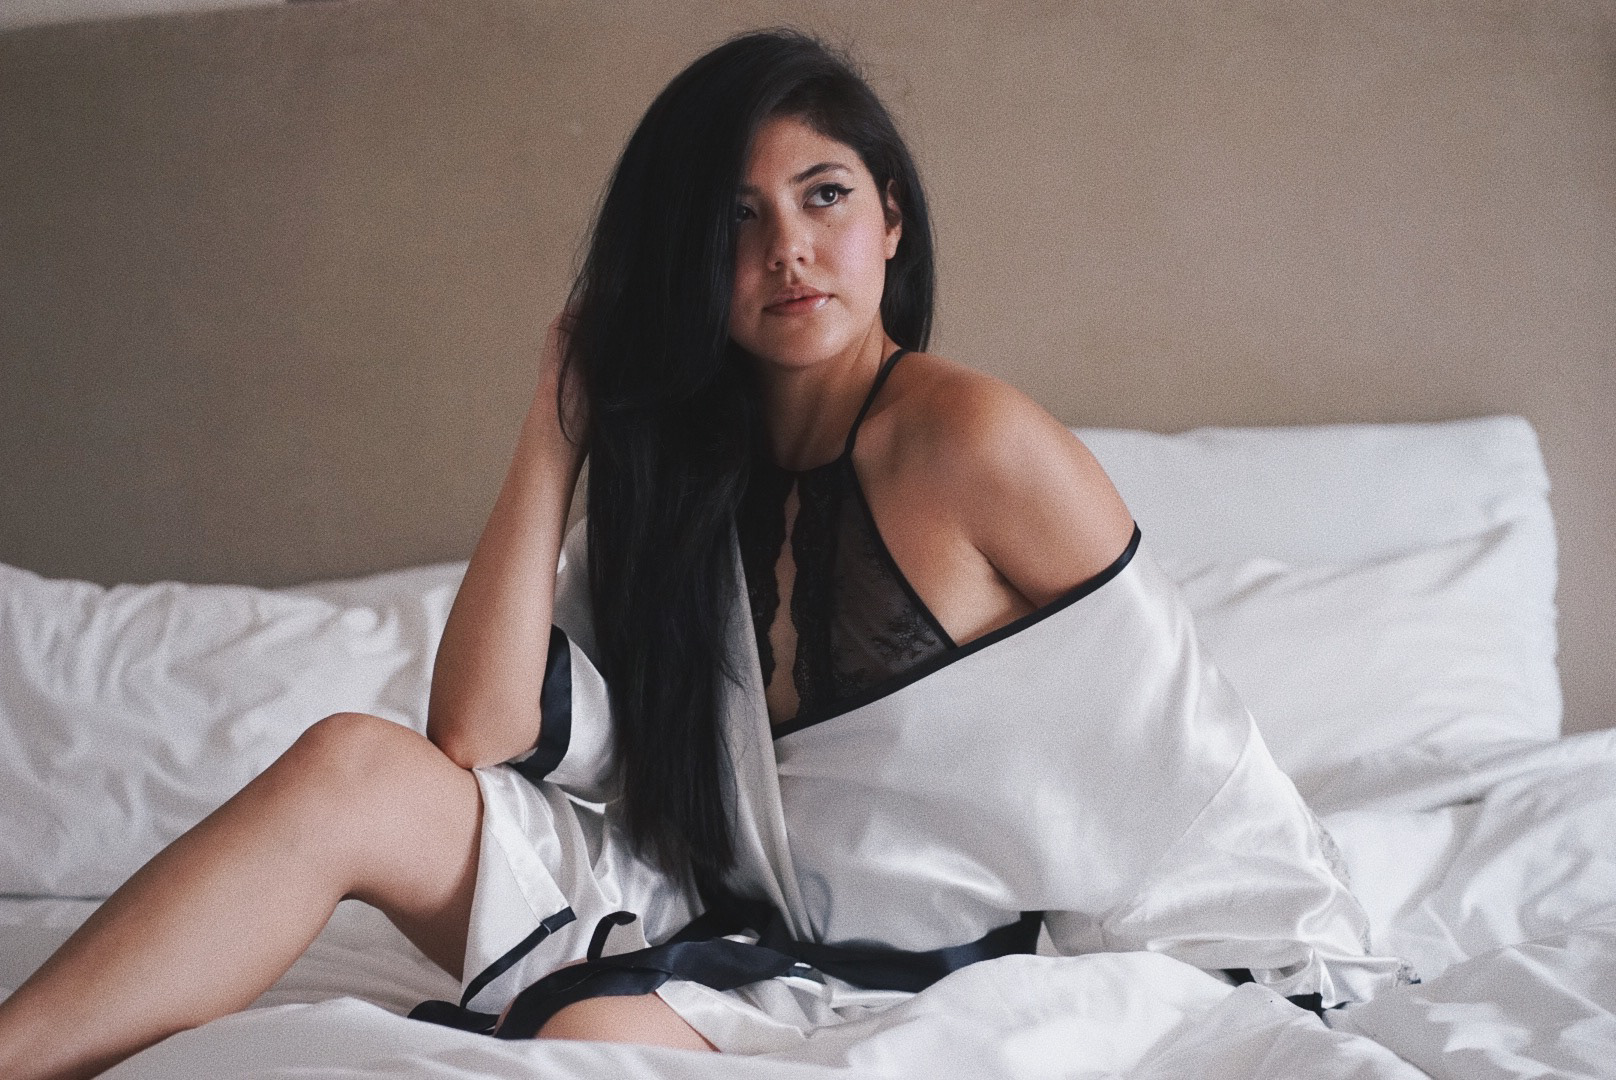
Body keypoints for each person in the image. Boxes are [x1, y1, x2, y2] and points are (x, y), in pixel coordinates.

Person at [0, 28, 1405, 1080]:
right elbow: (475, 734)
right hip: (707, 918)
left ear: (892, 219)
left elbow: (1186, 759)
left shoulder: (969, 439)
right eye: (737, 217)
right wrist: (559, 425)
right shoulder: (681, 482)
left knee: (595, 1039)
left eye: (824, 196)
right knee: (348, 767)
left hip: (913, 969)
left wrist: (1272, 987)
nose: (788, 247)